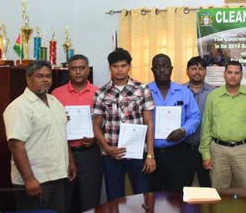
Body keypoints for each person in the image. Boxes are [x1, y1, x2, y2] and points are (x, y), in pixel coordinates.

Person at [3, 60, 75, 213]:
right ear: (28, 78)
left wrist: (70, 161)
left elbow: (61, 134)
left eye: (48, 76)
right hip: (36, 180)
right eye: (39, 76)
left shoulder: (55, 102)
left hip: (58, 175)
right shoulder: (19, 107)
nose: (45, 80)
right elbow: (16, 145)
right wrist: (29, 179)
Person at [92, 48, 156, 200]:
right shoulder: (101, 93)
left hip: (138, 153)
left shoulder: (142, 90)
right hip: (112, 155)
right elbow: (96, 126)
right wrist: (107, 149)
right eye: (115, 66)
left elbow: (149, 123)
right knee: (114, 200)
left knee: (142, 197)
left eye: (123, 65)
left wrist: (150, 155)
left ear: (129, 66)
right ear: (110, 68)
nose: (120, 70)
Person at [199, 61, 246, 190]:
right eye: (229, 72)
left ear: (241, 75)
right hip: (218, 151)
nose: (233, 76)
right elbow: (206, 126)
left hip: (244, 150)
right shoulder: (213, 96)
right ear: (224, 74)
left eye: (236, 73)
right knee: (219, 192)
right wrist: (206, 154)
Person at [51, 54, 101, 213]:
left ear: (88, 70)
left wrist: (95, 138)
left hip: (90, 153)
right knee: (63, 202)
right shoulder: (56, 94)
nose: (78, 72)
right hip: (64, 153)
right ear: (68, 71)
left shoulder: (98, 93)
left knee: (90, 201)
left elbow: (105, 122)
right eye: (73, 68)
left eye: (81, 68)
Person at [147, 54, 201, 191]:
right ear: (152, 70)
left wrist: (183, 130)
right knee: (153, 196)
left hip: (177, 153)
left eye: (165, 66)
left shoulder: (183, 92)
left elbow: (195, 116)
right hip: (151, 154)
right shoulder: (144, 91)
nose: (162, 70)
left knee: (176, 198)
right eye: (158, 67)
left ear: (171, 69)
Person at [182, 56, 215, 187]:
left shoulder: (214, 93)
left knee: (208, 186)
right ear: (187, 71)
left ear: (205, 72)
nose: (197, 72)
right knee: (183, 187)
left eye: (201, 69)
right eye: (193, 68)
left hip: (207, 148)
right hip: (184, 149)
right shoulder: (179, 91)